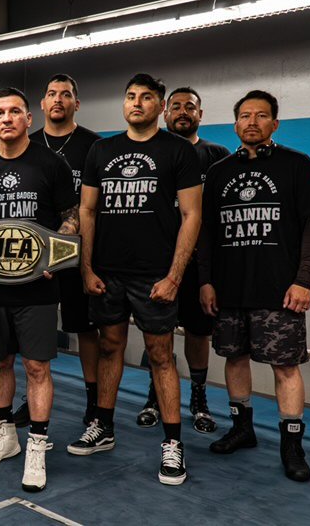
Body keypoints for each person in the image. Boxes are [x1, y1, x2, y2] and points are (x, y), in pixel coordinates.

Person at [72, 73, 202, 486]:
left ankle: (173, 443)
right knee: (109, 346)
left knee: (160, 354)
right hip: (107, 271)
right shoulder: (101, 150)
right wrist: (86, 268)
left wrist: (174, 277)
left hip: (155, 275)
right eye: (130, 96)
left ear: (160, 107)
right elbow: (86, 210)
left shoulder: (179, 151)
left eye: (146, 97)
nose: (136, 103)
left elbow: (192, 215)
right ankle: (104, 426)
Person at [199, 90, 310, 482]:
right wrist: (205, 281)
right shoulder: (219, 172)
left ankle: (292, 444)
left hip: (279, 290)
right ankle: (242, 428)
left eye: (261, 115)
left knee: (285, 367)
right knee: (234, 359)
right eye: (245, 116)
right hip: (230, 288)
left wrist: (303, 281)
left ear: (275, 123)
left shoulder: (297, 164)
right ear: (235, 123)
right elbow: (206, 233)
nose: (252, 122)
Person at [0, 87, 78, 492]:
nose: (7, 118)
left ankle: (36, 447)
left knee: (37, 367)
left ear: (28, 119)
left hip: (37, 287)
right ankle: (6, 436)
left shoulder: (52, 164)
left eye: (14, 111)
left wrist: (54, 256)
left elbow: (71, 217)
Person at [8, 74, 101, 429]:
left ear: (77, 103)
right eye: (51, 94)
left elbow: (94, 208)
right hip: (31, 257)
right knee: (28, 331)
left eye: (66, 94)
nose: (58, 99)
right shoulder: (25, 143)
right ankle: (29, 399)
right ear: (42, 104)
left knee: (84, 329)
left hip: (77, 253)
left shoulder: (93, 146)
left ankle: (93, 402)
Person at [135, 86, 230, 433]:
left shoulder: (216, 155)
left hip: (199, 263)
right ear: (165, 112)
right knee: (156, 332)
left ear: (200, 114)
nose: (182, 112)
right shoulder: (152, 151)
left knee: (198, 332)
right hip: (157, 260)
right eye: (175, 106)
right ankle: (155, 395)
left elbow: (220, 212)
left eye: (190, 107)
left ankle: (199, 398)